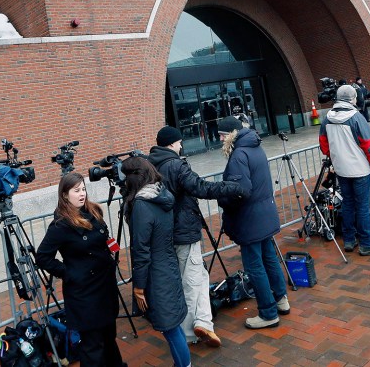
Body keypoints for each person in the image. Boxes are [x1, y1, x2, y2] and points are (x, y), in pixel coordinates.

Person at [147, 126, 244, 347]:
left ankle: (203, 322)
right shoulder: (175, 164)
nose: (181, 146)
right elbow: (200, 187)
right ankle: (191, 331)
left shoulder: (150, 164)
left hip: (163, 234)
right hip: (183, 232)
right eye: (179, 142)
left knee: (195, 276)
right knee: (191, 281)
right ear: (172, 143)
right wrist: (230, 187)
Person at [34, 172, 124, 367]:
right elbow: (42, 257)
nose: (82, 194)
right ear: (65, 195)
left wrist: (109, 257)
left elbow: (104, 237)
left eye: (83, 189)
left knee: (109, 337)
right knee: (93, 345)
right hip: (84, 293)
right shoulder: (60, 225)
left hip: (104, 286)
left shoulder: (94, 211)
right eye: (77, 190)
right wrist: (70, 273)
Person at [216, 115, 289, 329]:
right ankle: (280, 299)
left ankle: (268, 313)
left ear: (231, 134)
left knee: (255, 266)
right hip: (264, 214)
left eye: (221, 135)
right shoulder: (255, 146)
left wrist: (222, 198)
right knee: (270, 259)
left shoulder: (239, 154)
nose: (219, 139)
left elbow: (240, 191)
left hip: (250, 219)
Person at [121, 157, 190, 367]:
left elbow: (141, 251)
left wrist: (139, 287)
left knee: (170, 328)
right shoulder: (161, 194)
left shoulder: (142, 205)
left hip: (157, 275)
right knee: (173, 326)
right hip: (168, 267)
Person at [318, 84, 370, 256]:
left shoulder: (327, 118)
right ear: (352, 98)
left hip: (341, 169)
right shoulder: (356, 117)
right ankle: (366, 243)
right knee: (362, 207)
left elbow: (324, 145)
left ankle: (349, 240)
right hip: (360, 169)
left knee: (348, 204)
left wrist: (336, 156)